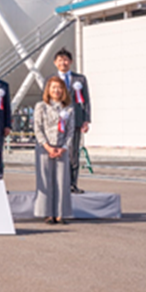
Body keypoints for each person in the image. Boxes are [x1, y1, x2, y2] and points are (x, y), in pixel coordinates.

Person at [34, 76, 74, 224]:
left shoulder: (68, 108)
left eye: (59, 87)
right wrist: (47, 146)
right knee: (45, 180)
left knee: (62, 181)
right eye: (53, 88)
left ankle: (60, 213)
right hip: (44, 148)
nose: (56, 90)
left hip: (62, 149)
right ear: (48, 90)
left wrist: (64, 147)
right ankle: (47, 213)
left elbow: (70, 131)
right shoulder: (41, 106)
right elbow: (37, 128)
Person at [53, 48, 90, 193]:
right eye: (60, 60)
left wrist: (86, 120)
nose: (64, 63)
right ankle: (58, 184)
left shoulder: (80, 79)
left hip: (75, 121)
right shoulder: (51, 79)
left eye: (66, 60)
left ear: (71, 62)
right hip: (56, 123)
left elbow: (86, 100)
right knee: (57, 153)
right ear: (55, 63)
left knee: (73, 154)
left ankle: (72, 184)